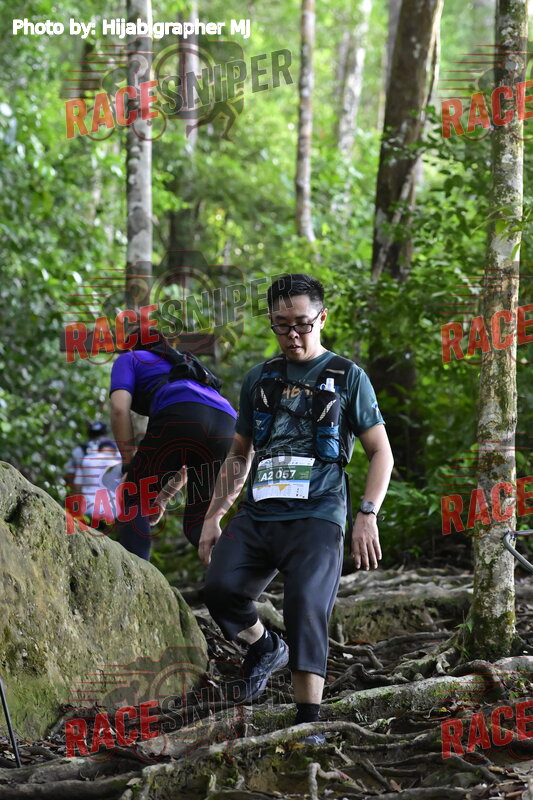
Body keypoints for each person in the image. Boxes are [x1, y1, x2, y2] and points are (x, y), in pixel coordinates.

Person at [200, 274, 394, 744]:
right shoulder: (259, 378)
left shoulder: (348, 376)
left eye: (302, 324)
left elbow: (381, 452)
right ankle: (266, 647)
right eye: (281, 324)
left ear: (321, 318)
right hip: (259, 511)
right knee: (220, 588)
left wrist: (367, 513)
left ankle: (308, 723)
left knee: (305, 605)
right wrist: (213, 515)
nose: (292, 334)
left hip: (317, 514)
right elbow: (240, 453)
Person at [109, 327, 237, 560]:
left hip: (180, 412)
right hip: (227, 423)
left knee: (133, 496)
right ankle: (239, 571)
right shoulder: (185, 364)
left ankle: (135, 577)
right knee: (200, 524)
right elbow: (185, 460)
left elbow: (119, 409)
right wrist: (162, 498)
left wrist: (129, 464)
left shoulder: (129, 358)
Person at [74, 439, 122, 529]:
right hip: (111, 515)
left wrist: (76, 509)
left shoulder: (86, 460)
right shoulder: (119, 464)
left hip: (88, 511)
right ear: (114, 450)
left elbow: (77, 486)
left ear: (99, 449)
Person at [64, 420, 112, 490]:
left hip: (85, 491)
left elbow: (70, 473)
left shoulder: (79, 450)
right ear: (106, 434)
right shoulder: (114, 449)